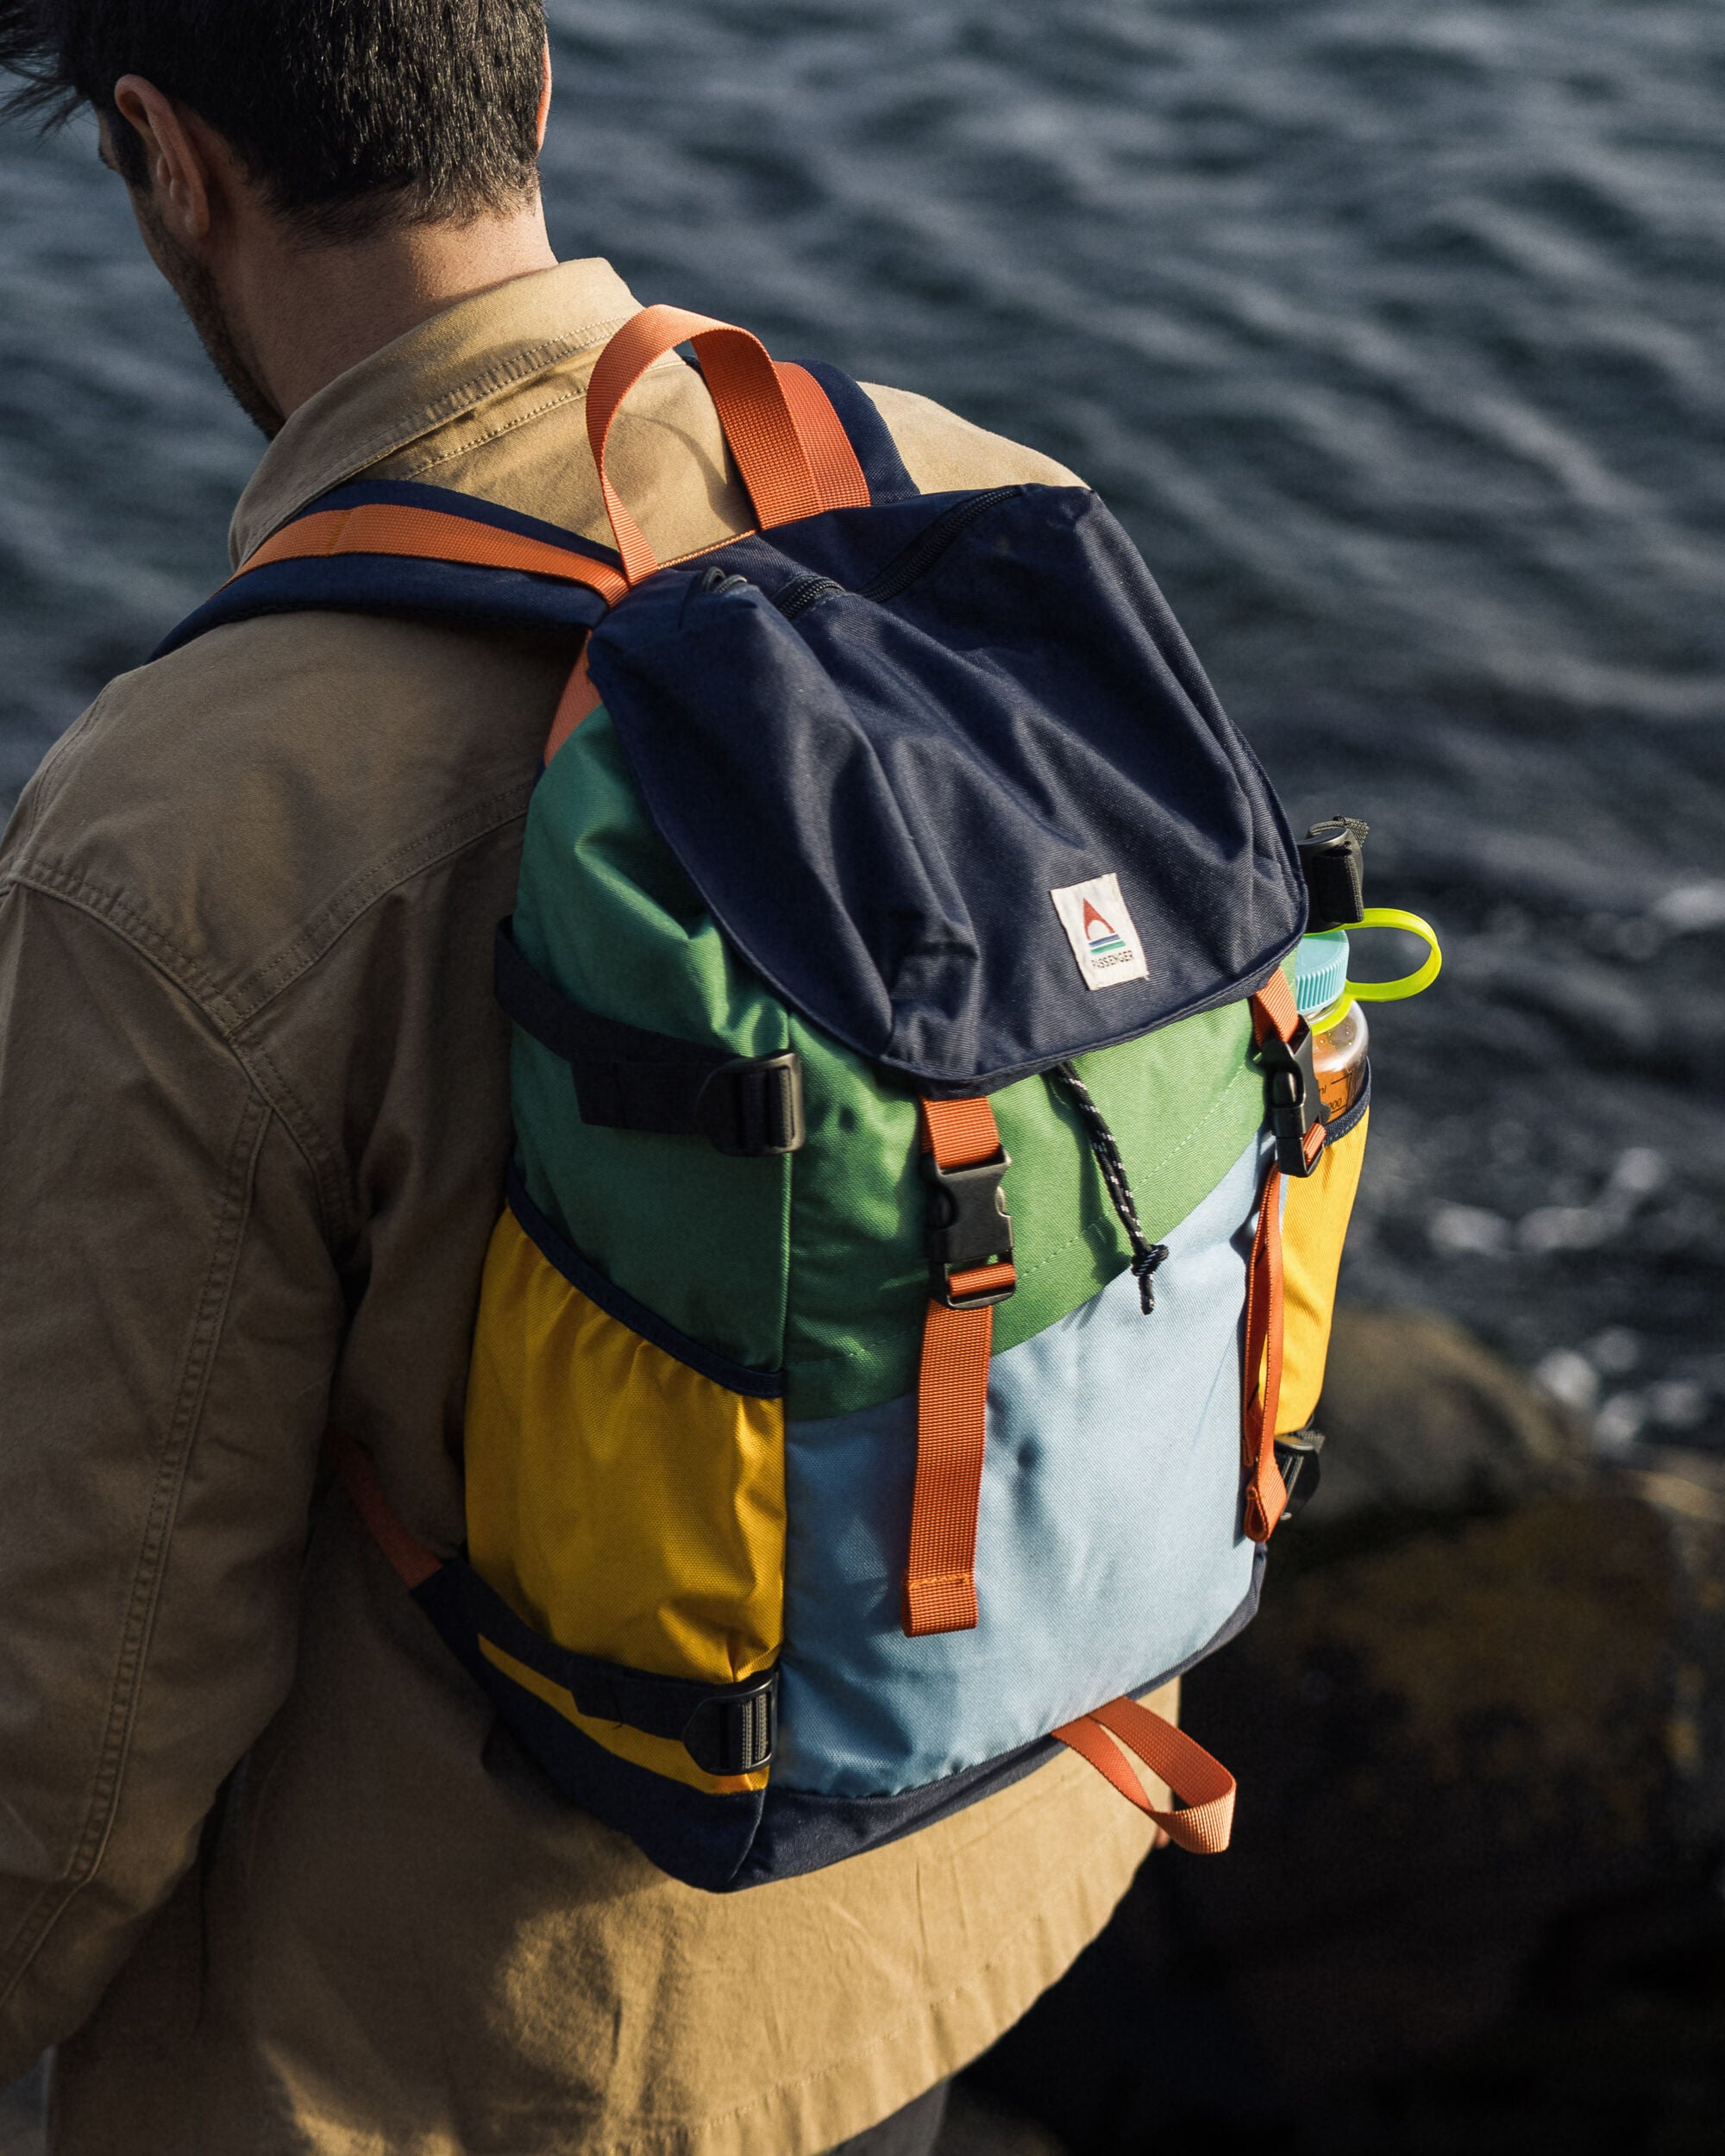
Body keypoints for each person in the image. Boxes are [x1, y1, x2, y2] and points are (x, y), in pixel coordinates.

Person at [0, 5, 1176, 2150]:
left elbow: (78, 1704)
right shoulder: (997, 513)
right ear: (531, 88)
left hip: (457, 2054)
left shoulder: (176, 829)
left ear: (168, 158)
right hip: (944, 1894)